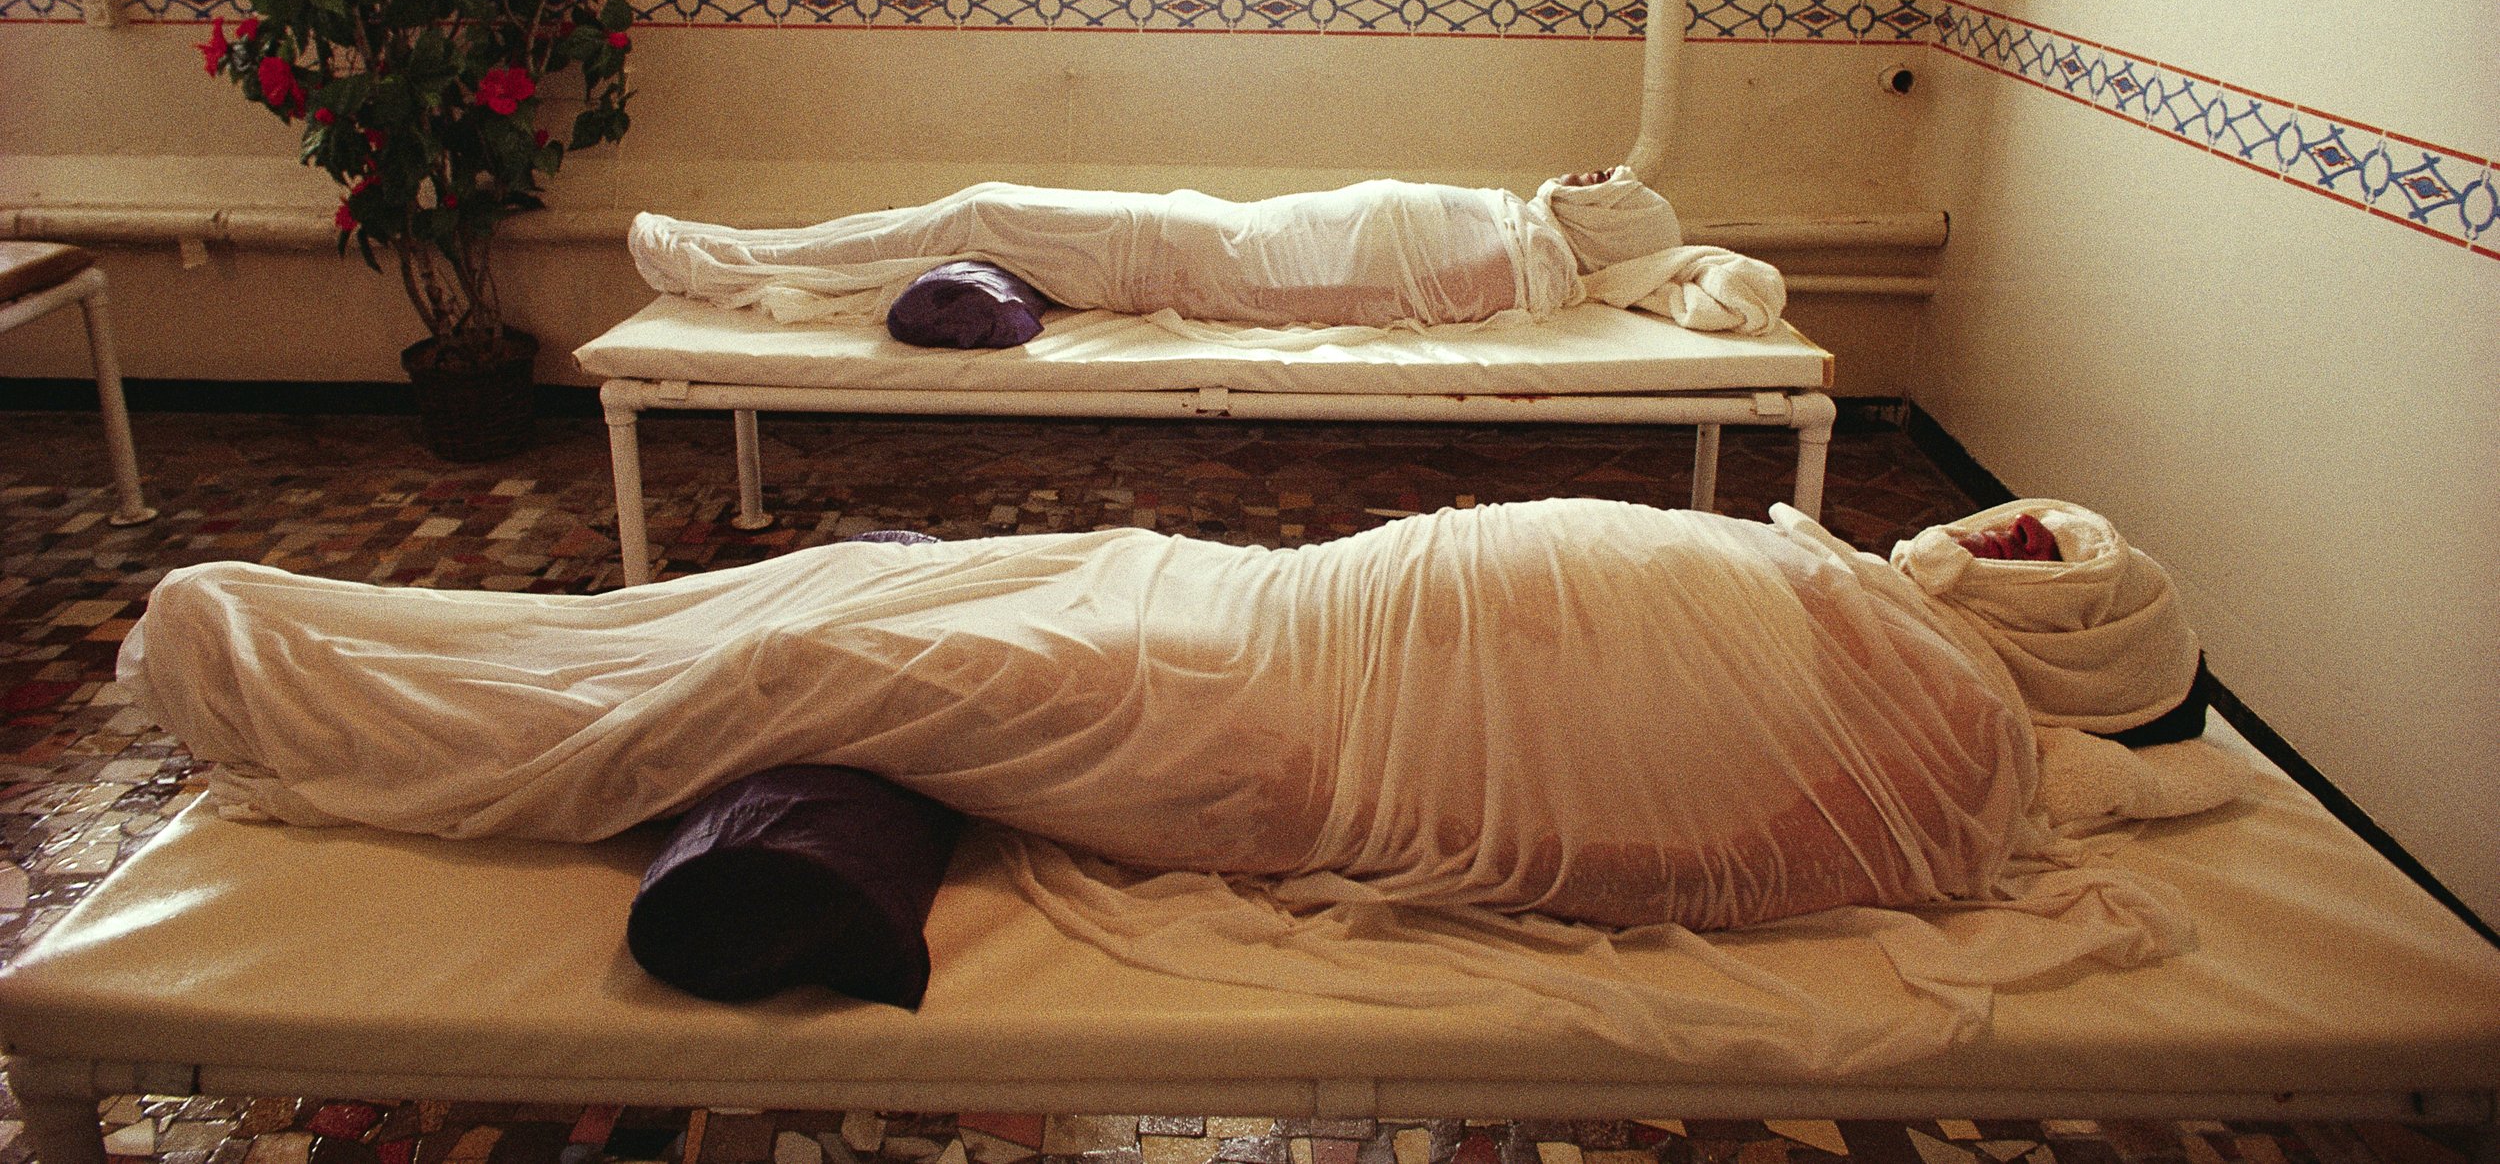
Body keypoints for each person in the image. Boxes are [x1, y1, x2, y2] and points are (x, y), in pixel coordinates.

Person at [123, 495, 2228, 936]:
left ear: (2076, 653)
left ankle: (347, 717)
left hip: (1260, 732)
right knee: (825, 579)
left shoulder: (1940, 751)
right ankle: (306, 622)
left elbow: (1685, 850)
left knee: (799, 674)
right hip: (1229, 594)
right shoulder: (1852, 582)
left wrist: (1386, 823)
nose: (2000, 518)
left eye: (2045, 546)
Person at [626, 165, 1788, 334]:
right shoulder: (1519, 242)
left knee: (973, 211)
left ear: (1602, 228)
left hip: (1178, 250)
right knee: (968, 222)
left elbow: (1336, 286)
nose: (1577, 172)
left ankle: (717, 263)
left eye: (1596, 184)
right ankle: (743, 261)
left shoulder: (1514, 258)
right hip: (1194, 239)